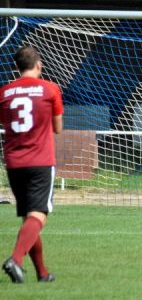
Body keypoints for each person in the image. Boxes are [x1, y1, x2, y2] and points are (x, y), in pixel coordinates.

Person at [1, 46, 63, 284]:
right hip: (40, 161)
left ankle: (42, 273)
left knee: (29, 218)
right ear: (38, 65)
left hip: (14, 162)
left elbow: (5, 122)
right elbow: (57, 128)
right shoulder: (50, 89)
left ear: (18, 67)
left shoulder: (5, 92)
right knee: (38, 216)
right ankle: (15, 260)